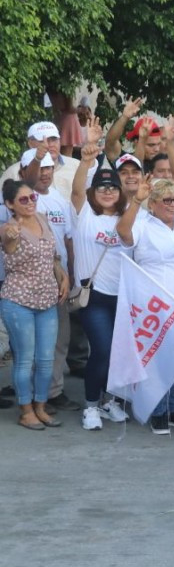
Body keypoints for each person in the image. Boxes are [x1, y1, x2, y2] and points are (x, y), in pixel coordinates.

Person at [117, 177, 174, 434]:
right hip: (156, 299)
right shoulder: (142, 223)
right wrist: (136, 201)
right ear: (153, 204)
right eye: (167, 200)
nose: (173, 204)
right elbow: (123, 233)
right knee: (156, 356)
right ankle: (157, 410)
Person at [70, 145, 130, 430]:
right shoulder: (85, 215)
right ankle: (91, 406)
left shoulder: (126, 217)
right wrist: (85, 161)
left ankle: (109, 401)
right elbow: (77, 191)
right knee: (102, 351)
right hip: (94, 298)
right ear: (93, 192)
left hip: (123, 298)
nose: (107, 191)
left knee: (118, 355)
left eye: (113, 187)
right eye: (101, 187)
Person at [2, 178, 68, 430]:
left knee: (46, 359)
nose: (30, 202)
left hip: (47, 299)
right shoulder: (8, 228)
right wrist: (11, 236)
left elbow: (51, 256)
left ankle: (40, 406)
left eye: (32, 198)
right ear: (10, 204)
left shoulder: (42, 218)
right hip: (18, 301)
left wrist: (62, 274)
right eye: (23, 200)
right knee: (25, 359)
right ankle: (25, 409)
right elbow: (8, 245)